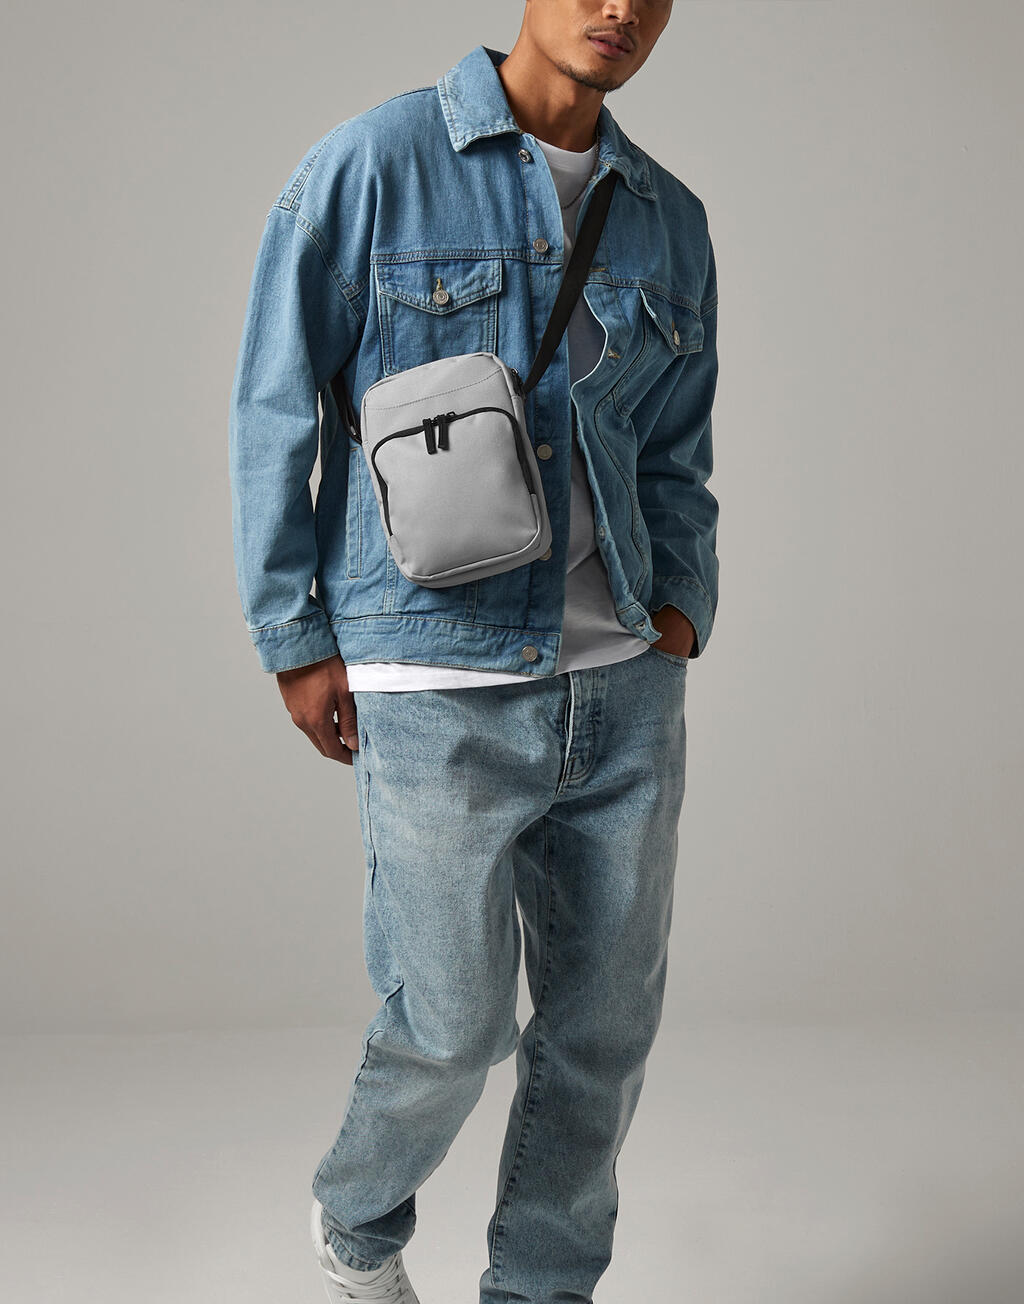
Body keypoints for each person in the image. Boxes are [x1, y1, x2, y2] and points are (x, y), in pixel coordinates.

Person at [228, 3, 719, 1300]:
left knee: (602, 1033)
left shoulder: (668, 217)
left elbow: (676, 452)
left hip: (622, 687)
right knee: (452, 1024)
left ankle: (542, 1289)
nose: (620, 8)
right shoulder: (373, 165)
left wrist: (680, 609)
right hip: (436, 677)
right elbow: (276, 407)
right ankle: (357, 1223)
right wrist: (294, 634)